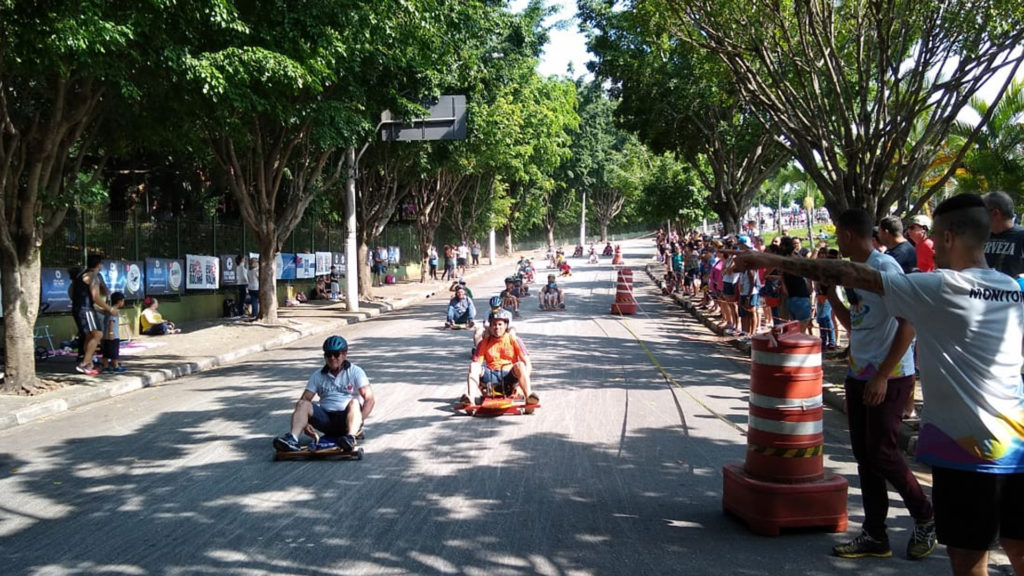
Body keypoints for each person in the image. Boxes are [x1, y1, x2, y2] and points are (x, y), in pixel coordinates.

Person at [732, 194, 1024, 576]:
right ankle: (875, 531)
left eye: (933, 237)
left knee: (969, 563)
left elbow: (853, 275)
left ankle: (917, 520)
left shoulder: (939, 287)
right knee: (1019, 550)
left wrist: (769, 260)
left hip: (968, 455)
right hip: (1016, 445)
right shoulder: (1011, 289)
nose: (930, 247)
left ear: (950, 237)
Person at [273, 335, 374, 453]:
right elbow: (305, 399)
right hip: (326, 420)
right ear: (325, 356)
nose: (332, 358)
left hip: (347, 419)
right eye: (328, 354)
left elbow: (370, 399)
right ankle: (293, 439)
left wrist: (360, 421)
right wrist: (305, 425)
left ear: (344, 354)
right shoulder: (318, 375)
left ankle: (350, 438)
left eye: (336, 354)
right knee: (302, 403)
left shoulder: (355, 372)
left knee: (355, 402)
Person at [460, 309, 538, 407]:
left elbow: (528, 364)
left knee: (521, 365)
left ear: (506, 325)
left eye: (500, 324)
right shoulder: (484, 343)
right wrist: (481, 388)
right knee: (474, 365)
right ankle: (470, 399)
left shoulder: (514, 340)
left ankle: (529, 396)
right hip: (491, 376)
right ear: (490, 327)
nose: (497, 327)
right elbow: (477, 366)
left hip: (509, 375)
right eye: (494, 324)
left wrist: (519, 387)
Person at [71, 254, 113, 375]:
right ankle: (84, 363)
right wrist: (109, 309)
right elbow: (95, 297)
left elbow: (73, 293)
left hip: (81, 308)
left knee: (90, 336)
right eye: (101, 263)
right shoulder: (93, 276)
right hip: (85, 309)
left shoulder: (80, 276)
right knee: (98, 334)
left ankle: (89, 364)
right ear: (99, 264)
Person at [982, 190, 1024, 277]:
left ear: (995, 213)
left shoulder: (1021, 236)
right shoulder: (981, 237)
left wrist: (1021, 279)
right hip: (982, 289)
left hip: (1013, 289)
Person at [100, 291, 126, 373]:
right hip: (113, 336)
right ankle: (115, 366)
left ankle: (106, 366)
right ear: (119, 301)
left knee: (106, 352)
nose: (123, 302)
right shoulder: (114, 311)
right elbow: (111, 322)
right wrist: (111, 333)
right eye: (123, 300)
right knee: (114, 352)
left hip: (105, 335)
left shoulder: (108, 310)